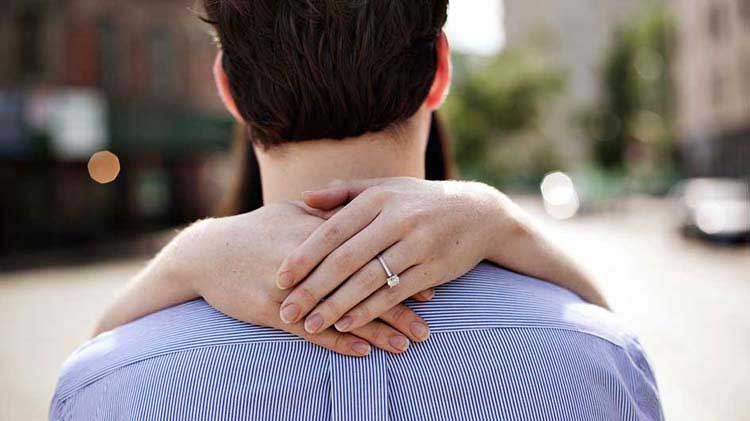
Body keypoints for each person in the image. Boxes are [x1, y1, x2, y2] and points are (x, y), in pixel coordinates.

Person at [50, 1, 663, 419]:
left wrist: (184, 258)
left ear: (227, 87)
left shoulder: (110, 381)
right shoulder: (592, 357)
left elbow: (95, 370)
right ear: (441, 71)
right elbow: (607, 346)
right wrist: (502, 221)